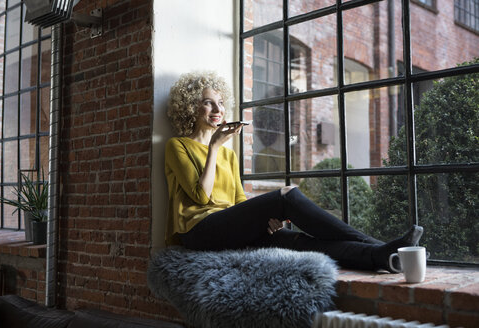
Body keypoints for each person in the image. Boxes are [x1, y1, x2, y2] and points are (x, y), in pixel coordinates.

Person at [164, 71, 423, 272]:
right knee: (286, 196)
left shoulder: (228, 154)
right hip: (197, 233)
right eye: (209, 103)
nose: (219, 110)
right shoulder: (177, 146)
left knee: (295, 241)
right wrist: (213, 147)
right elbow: (200, 195)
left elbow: (239, 202)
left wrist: (260, 219)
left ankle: (380, 256)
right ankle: (381, 246)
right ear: (190, 107)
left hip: (227, 228)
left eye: (220, 103)